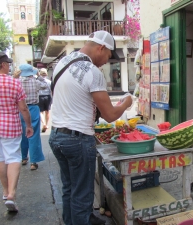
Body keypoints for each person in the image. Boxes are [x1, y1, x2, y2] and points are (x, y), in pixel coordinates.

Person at [48, 30, 132, 225]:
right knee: (82, 195)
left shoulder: (61, 63)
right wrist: (126, 103)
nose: (106, 61)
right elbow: (110, 115)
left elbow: (75, 99)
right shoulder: (92, 72)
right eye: (109, 56)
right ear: (101, 48)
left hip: (57, 137)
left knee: (69, 188)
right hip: (77, 140)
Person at [0, 52, 33, 212]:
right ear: (2, 65)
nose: (9, 66)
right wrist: (28, 125)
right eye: (7, 63)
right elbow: (23, 108)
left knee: (0, 159)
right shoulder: (14, 83)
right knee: (13, 157)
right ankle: (11, 194)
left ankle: (4, 190)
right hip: (10, 125)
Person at [18, 64, 47, 170]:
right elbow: (45, 85)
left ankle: (23, 157)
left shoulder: (17, 82)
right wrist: (38, 75)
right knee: (33, 134)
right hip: (33, 108)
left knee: (22, 133)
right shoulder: (36, 82)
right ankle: (33, 161)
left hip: (20, 109)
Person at [38, 68, 52, 132]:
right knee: (47, 111)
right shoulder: (49, 82)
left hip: (40, 97)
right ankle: (46, 124)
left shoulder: (37, 81)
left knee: (40, 112)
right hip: (48, 96)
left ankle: (43, 124)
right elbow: (51, 90)